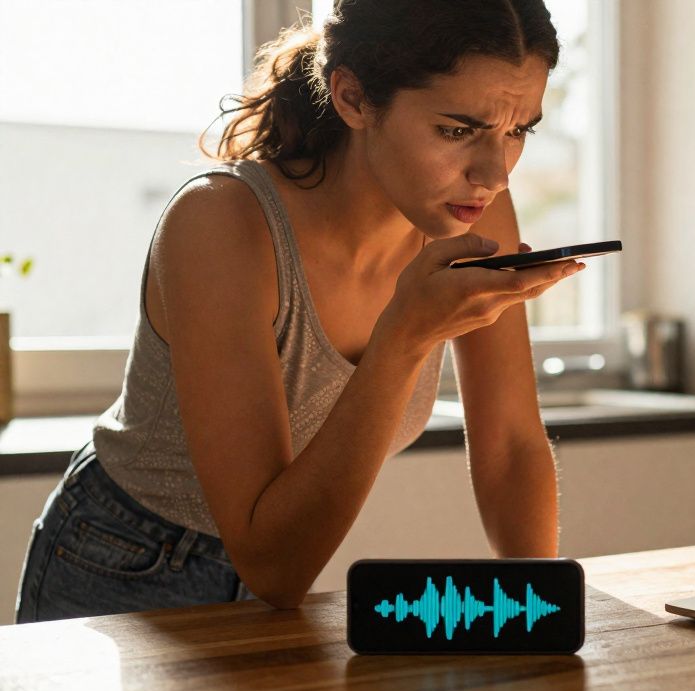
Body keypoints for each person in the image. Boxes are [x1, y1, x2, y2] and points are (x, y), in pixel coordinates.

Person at [16, 1, 573, 624]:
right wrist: (405, 338)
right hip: (124, 566)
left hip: (284, 590)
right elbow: (273, 566)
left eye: (519, 130)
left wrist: (542, 618)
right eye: (458, 130)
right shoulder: (220, 223)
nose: (495, 173)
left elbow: (511, 445)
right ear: (354, 98)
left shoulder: (469, 206)